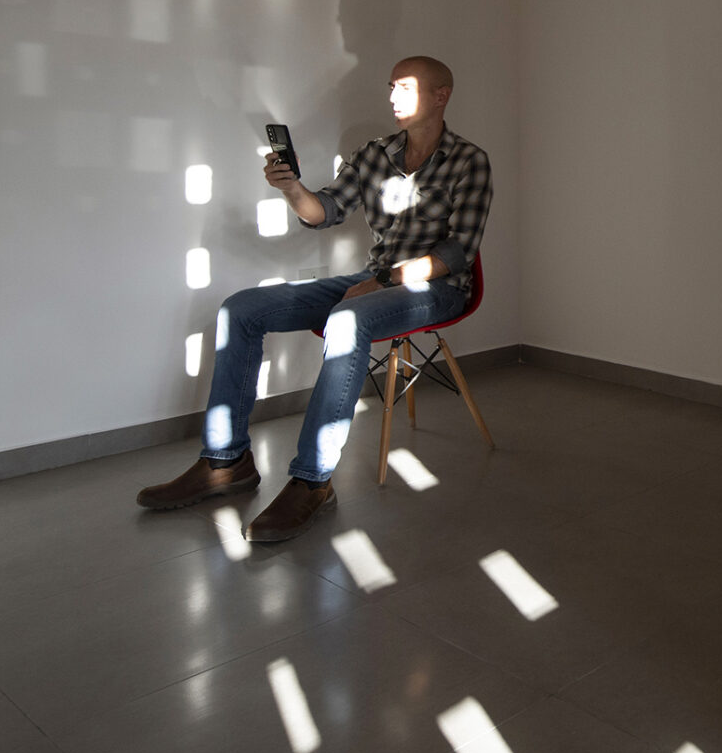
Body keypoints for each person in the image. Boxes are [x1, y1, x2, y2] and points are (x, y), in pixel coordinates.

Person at [137, 55, 492, 542]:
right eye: (390, 86)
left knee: (347, 320)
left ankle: (312, 482)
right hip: (376, 280)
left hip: (439, 289)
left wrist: (384, 280)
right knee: (241, 309)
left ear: (440, 95)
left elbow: (457, 252)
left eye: (405, 87)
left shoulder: (470, 161)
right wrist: (291, 188)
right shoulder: (374, 154)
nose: (392, 96)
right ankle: (226, 461)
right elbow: (324, 210)